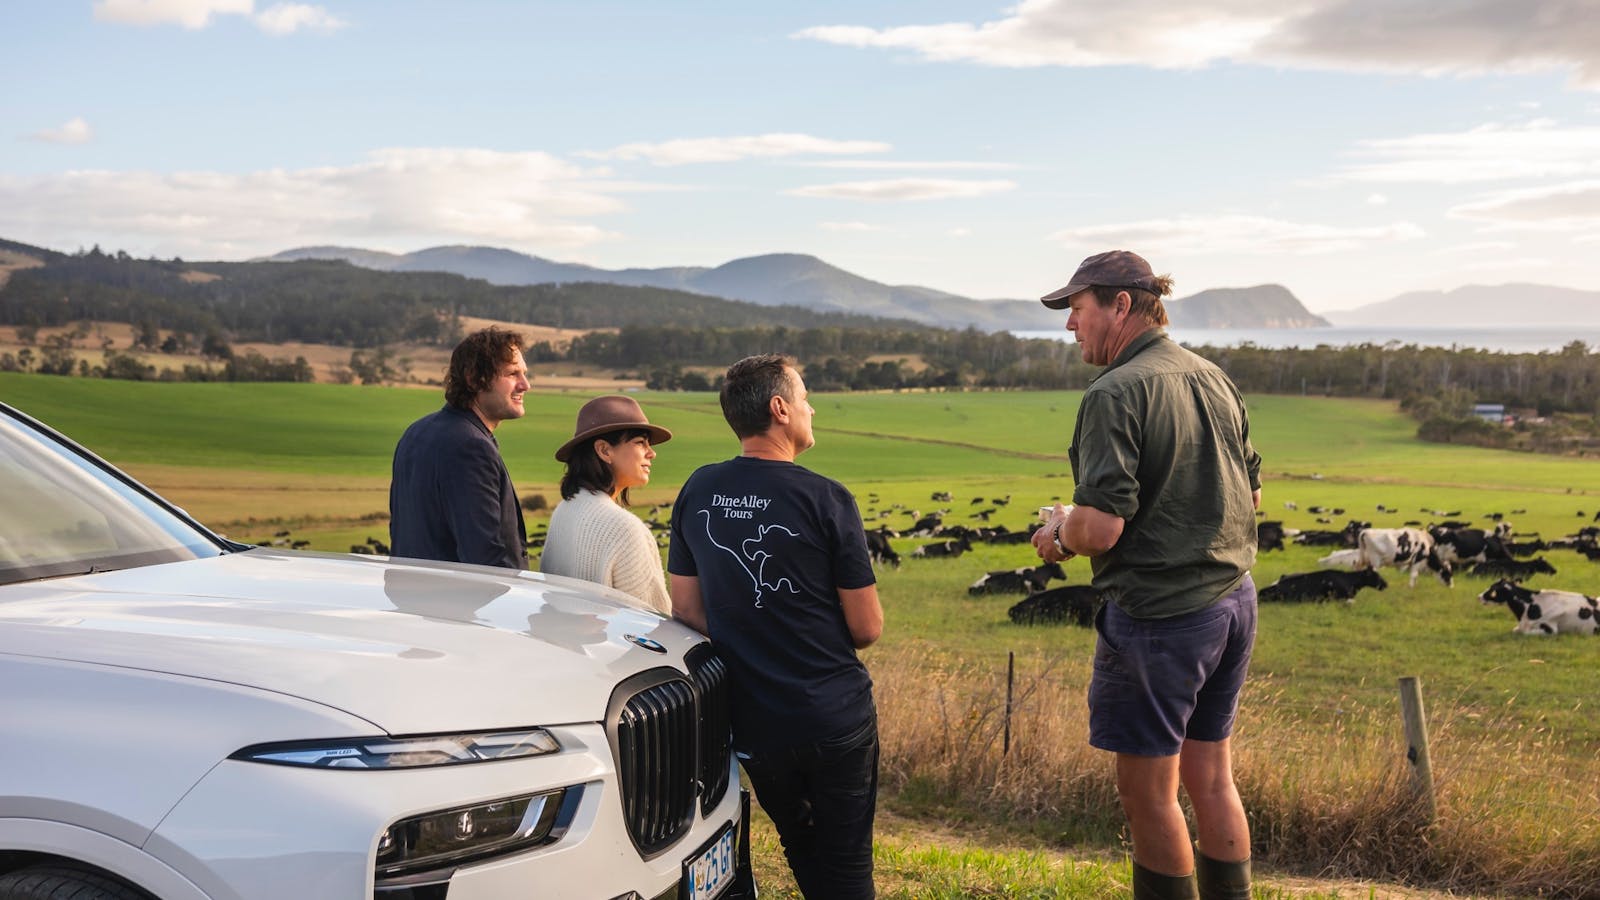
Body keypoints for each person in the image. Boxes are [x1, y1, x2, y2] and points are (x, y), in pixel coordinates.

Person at [1031, 251, 1262, 900]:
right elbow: (1253, 496)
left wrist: (1059, 531)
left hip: (1162, 619)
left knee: (1147, 795)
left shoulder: (1115, 392)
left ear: (1120, 305)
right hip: (1232, 601)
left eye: (1077, 310)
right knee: (1212, 777)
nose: (1071, 327)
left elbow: (1102, 530)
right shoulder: (1212, 376)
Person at [668, 354, 884, 900]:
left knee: (802, 846)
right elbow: (866, 627)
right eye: (805, 397)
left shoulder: (699, 491)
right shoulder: (826, 497)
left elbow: (687, 610)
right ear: (780, 408)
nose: (812, 408)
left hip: (756, 722)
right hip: (832, 716)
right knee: (848, 862)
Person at [389, 326, 531, 570]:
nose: (525, 385)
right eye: (512, 374)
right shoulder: (471, 447)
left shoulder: (415, 432)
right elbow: (485, 558)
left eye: (524, 373)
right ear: (475, 378)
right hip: (459, 606)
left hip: (412, 600)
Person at [540, 395, 674, 614]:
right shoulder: (624, 528)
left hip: (561, 645)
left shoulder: (564, 510)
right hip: (611, 648)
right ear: (604, 450)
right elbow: (654, 623)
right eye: (640, 443)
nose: (652, 453)